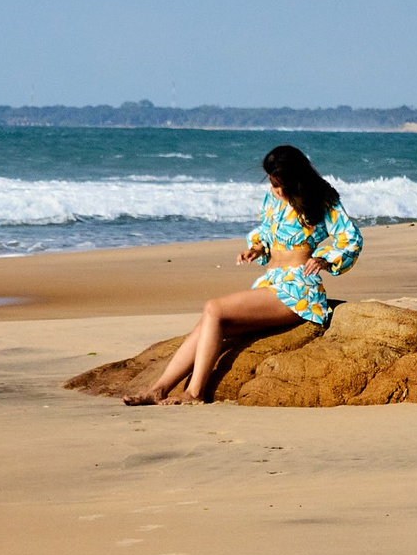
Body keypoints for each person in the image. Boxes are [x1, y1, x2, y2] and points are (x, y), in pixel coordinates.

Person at [123, 143, 363, 405]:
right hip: (271, 282)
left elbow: (351, 238)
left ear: (296, 178)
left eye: (281, 185)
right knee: (209, 324)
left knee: (213, 308)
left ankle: (194, 393)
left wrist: (325, 259)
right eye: (273, 184)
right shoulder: (271, 199)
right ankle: (158, 389)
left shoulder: (321, 199)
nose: (278, 191)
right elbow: (267, 233)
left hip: (298, 289)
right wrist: (256, 249)